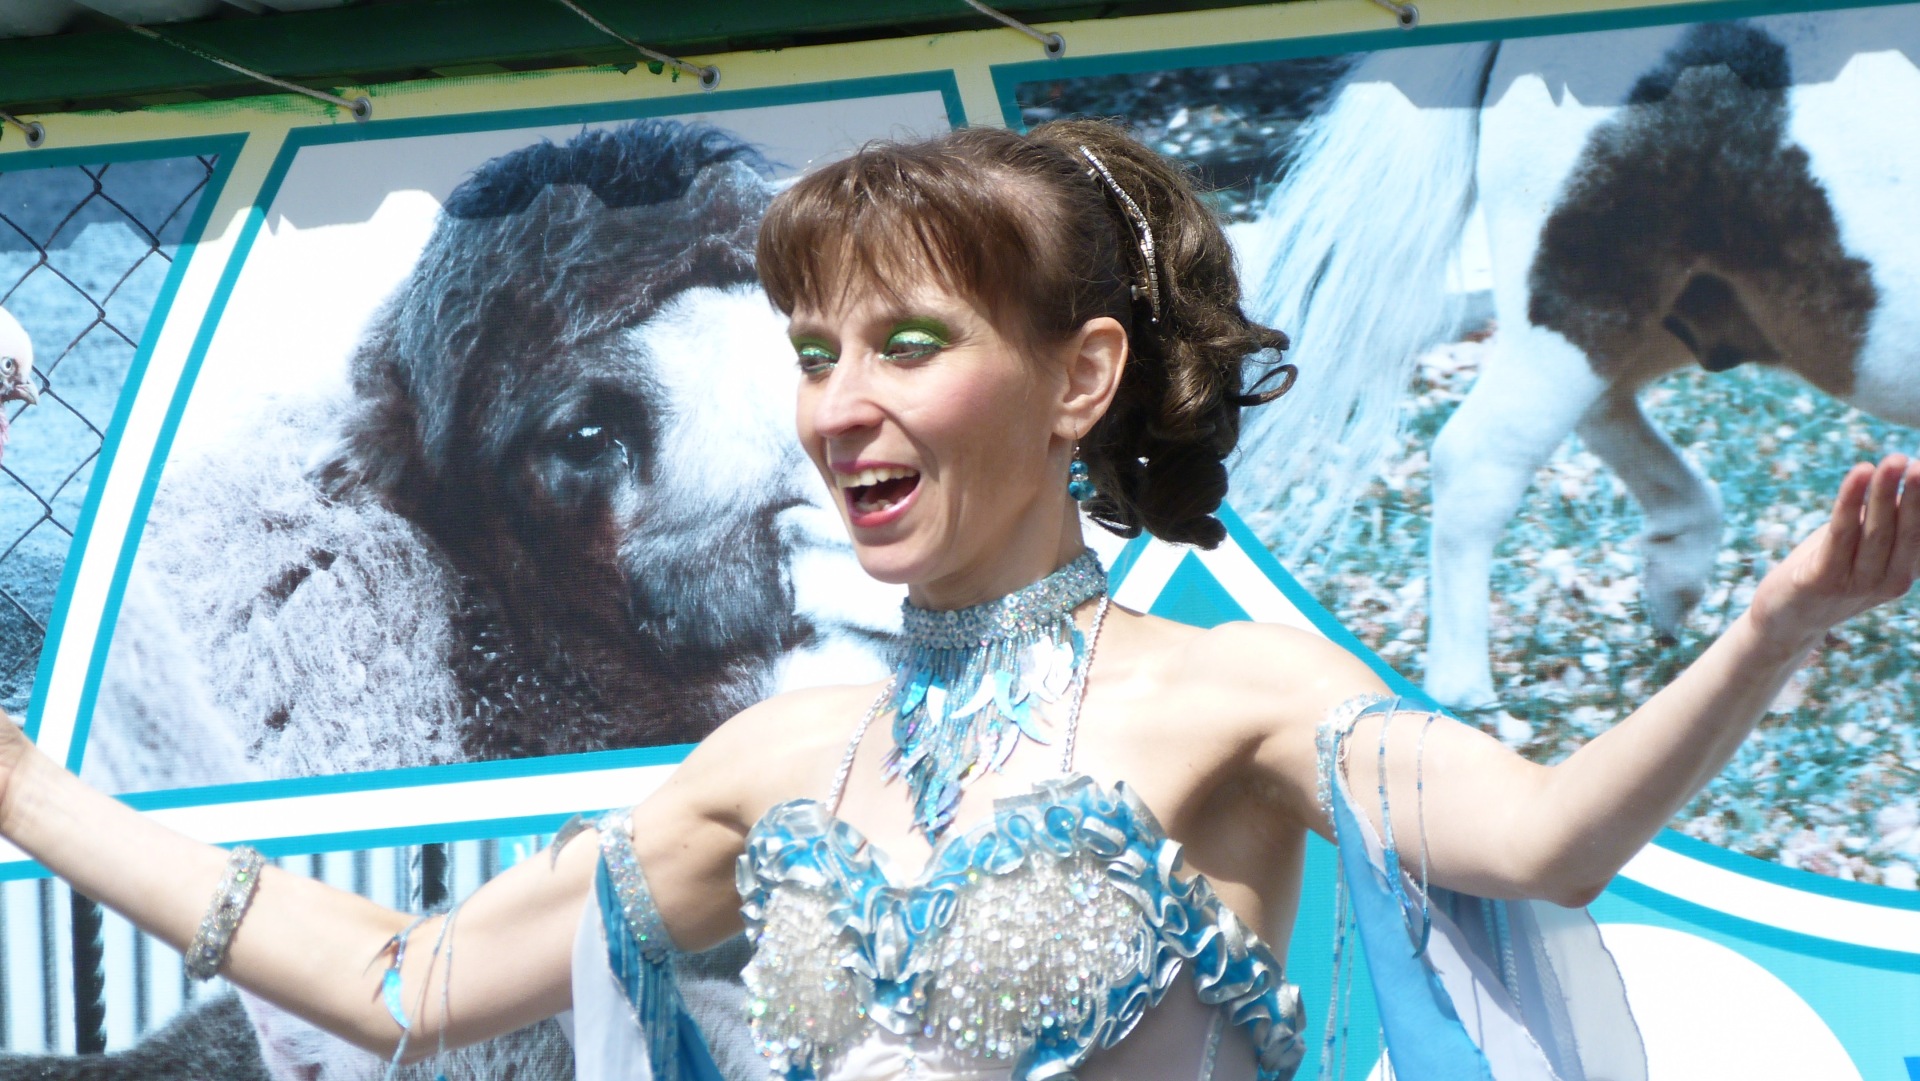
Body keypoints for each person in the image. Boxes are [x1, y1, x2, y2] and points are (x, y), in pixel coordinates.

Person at [1, 117, 1916, 1081]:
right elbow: (397, 983)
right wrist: (28, 791)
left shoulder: (1231, 702)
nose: (836, 405)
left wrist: (1780, 624)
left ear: (1079, 377)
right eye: (814, 352)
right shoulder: (776, 767)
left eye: (903, 344)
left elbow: (1551, 841)